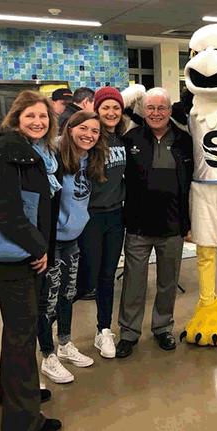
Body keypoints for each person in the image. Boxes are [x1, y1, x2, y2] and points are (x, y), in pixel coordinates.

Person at [0, 90, 62, 431]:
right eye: (30, 116)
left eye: (43, 117)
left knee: (18, 332)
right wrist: (38, 247)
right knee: (22, 335)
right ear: (16, 119)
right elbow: (4, 209)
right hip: (15, 257)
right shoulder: (8, 150)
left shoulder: (31, 151)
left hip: (21, 254)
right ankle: (23, 421)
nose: (38, 122)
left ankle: (14, 394)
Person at [116, 87, 193, 358]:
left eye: (162, 108)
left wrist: (189, 223)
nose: (156, 113)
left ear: (170, 111)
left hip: (173, 226)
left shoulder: (184, 140)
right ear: (143, 111)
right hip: (137, 226)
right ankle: (128, 333)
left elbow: (192, 183)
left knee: (167, 283)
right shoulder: (131, 139)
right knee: (133, 283)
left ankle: (162, 328)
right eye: (151, 108)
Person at [37, 111, 108, 383]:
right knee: (48, 299)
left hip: (74, 237)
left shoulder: (92, 158)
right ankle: (48, 355)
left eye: (95, 131)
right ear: (70, 128)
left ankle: (65, 344)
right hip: (52, 240)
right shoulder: (53, 156)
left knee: (68, 294)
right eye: (83, 128)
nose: (89, 135)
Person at [76, 87, 127, 359]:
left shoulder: (122, 139)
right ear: (96, 109)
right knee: (84, 280)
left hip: (115, 216)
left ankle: (104, 330)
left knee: (108, 277)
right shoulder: (90, 139)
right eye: (106, 107)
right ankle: (58, 338)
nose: (111, 112)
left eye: (116, 108)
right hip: (91, 217)